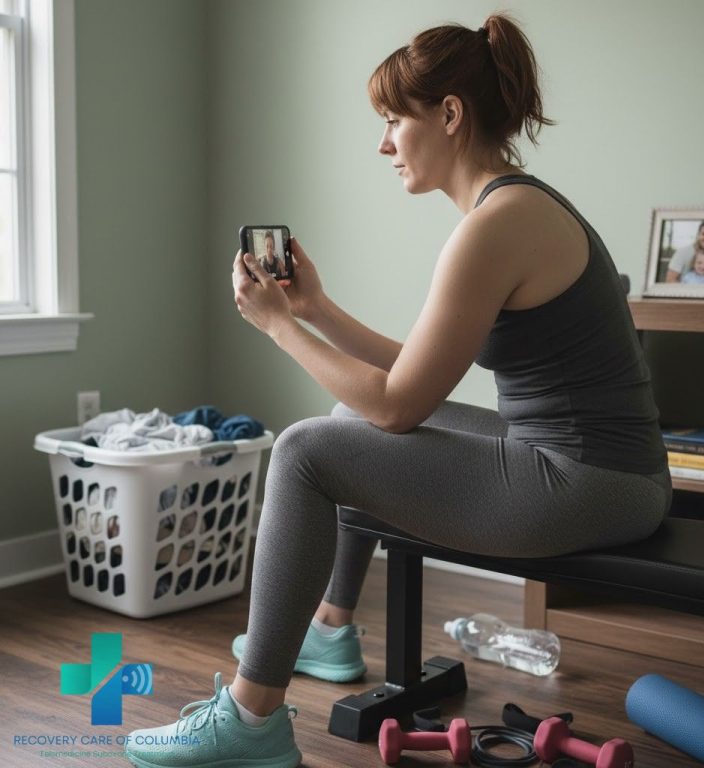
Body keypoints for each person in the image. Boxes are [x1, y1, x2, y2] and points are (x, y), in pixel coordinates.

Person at [124, 14, 671, 768]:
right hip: (596, 469)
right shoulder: (510, 207)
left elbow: (399, 406)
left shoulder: (495, 225)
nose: (384, 145)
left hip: (588, 482)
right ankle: (328, 628)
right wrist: (311, 310)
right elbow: (406, 378)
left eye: (392, 122)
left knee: (308, 450)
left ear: (449, 114)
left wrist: (278, 328)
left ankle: (250, 722)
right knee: (346, 419)